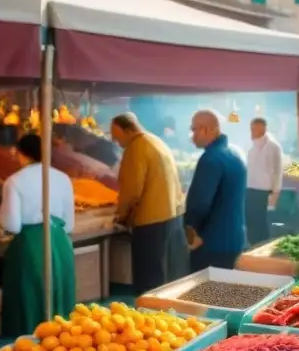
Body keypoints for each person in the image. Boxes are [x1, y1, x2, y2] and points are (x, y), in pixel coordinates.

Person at [0, 134, 76, 336]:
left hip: (31, 245)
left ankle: (30, 347)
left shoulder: (14, 181)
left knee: (31, 298)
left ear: (22, 154)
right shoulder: (62, 178)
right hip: (60, 242)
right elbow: (69, 224)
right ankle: (64, 344)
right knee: (60, 296)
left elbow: (12, 225)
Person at [111, 113, 189, 293]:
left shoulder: (136, 148)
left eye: (117, 136)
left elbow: (132, 191)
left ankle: (149, 316)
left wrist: (121, 217)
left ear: (128, 130)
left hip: (151, 222)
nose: (116, 141)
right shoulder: (156, 141)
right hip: (172, 217)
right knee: (165, 277)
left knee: (149, 280)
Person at [184, 110, 247, 270]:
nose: (193, 136)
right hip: (234, 238)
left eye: (195, 130)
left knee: (205, 292)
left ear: (207, 129)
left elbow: (199, 204)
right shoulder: (234, 154)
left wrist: (191, 229)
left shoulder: (210, 159)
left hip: (211, 243)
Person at [245, 117, 283, 245]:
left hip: (264, 189)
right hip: (249, 187)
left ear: (263, 128)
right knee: (249, 219)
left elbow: (278, 171)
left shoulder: (273, 146)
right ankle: (252, 244)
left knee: (261, 220)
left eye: (255, 128)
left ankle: (262, 244)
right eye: (251, 128)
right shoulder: (250, 144)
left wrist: (275, 191)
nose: (252, 131)